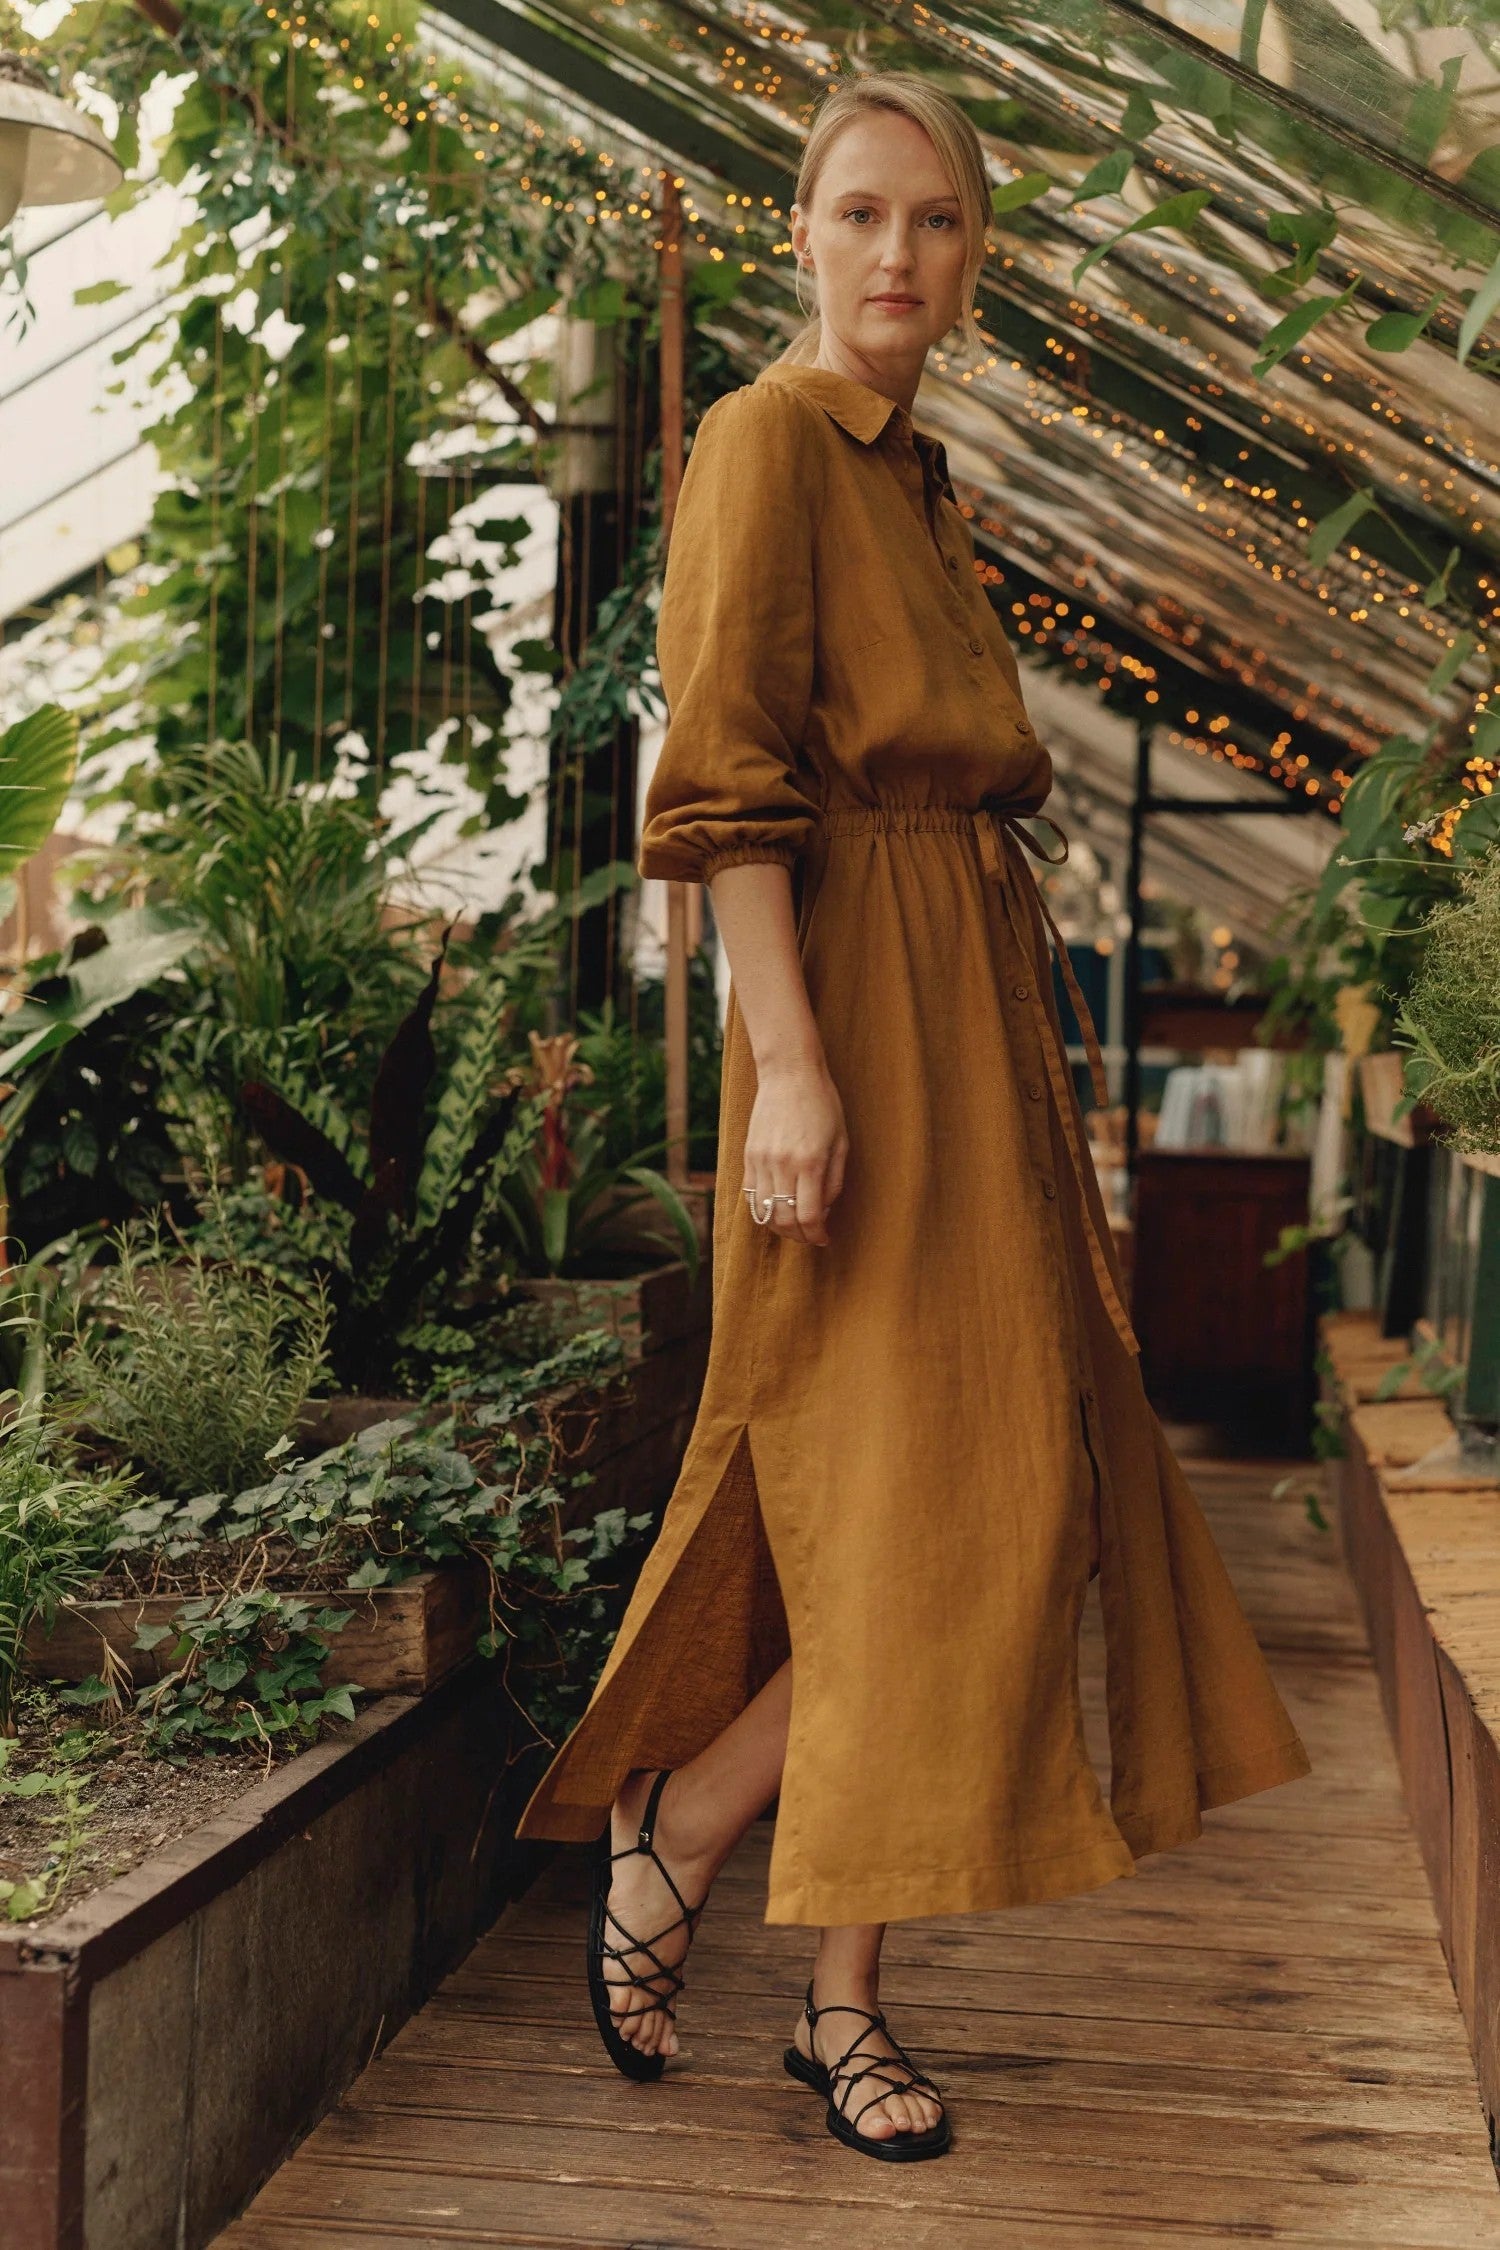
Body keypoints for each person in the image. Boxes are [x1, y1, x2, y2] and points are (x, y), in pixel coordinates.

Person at [515, 69, 1312, 2162]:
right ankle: (698, 1846)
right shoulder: (768, 442)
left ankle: (818, 1972)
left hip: (970, 1022)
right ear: (801, 230)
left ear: (976, 255)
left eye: (937, 225)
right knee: (907, 1524)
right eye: (863, 214)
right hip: (853, 1015)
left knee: (992, 1516)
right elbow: (725, 792)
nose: (898, 257)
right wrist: (787, 1060)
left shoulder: (918, 473)